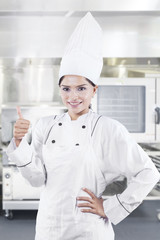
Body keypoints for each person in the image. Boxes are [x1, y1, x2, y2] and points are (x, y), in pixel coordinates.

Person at [6, 12, 160, 240]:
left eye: (81, 88)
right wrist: (20, 143)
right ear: (60, 90)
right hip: (48, 228)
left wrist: (110, 207)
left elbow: (148, 173)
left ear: (94, 90)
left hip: (89, 229)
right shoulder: (45, 126)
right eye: (66, 89)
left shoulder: (108, 129)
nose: (73, 96)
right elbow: (37, 179)